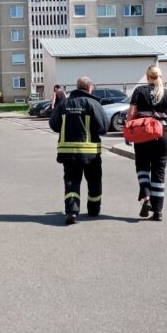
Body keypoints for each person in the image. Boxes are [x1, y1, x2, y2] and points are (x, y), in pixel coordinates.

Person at [49, 76, 109, 225]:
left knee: (71, 182)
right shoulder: (93, 104)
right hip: (90, 153)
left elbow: (54, 124)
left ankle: (72, 212)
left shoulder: (64, 103)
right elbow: (104, 127)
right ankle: (94, 209)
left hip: (68, 153)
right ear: (89, 88)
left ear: (77, 88)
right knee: (94, 181)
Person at [127, 65, 167, 221]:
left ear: (147, 77)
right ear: (160, 76)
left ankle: (146, 196)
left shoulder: (140, 91)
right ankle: (158, 212)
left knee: (142, 166)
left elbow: (132, 114)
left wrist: (128, 131)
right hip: (162, 136)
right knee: (158, 173)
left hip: (143, 135)